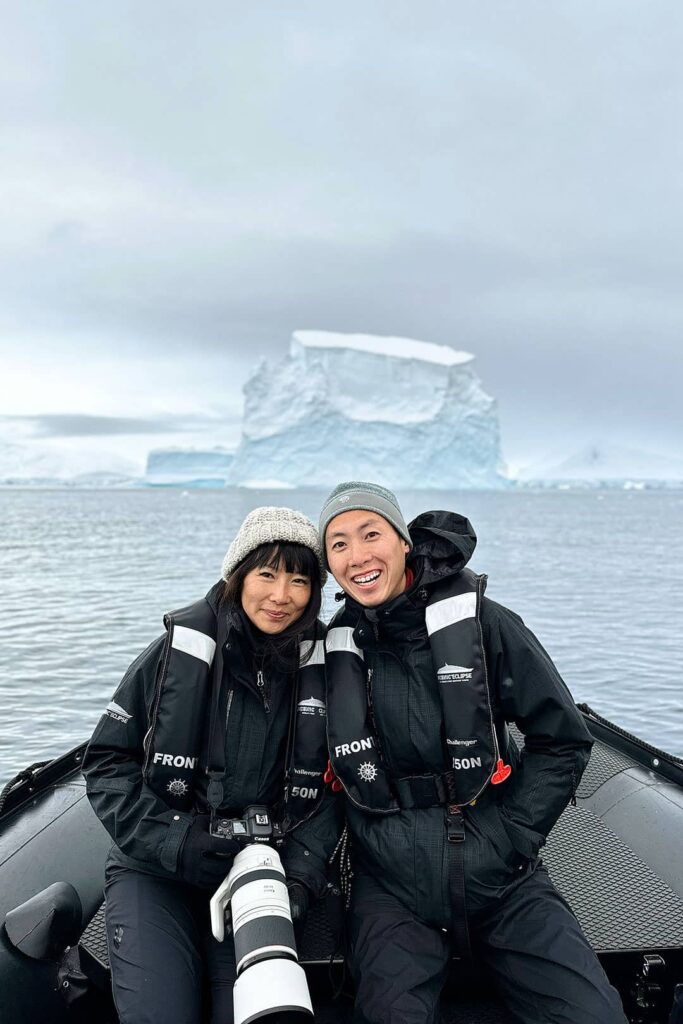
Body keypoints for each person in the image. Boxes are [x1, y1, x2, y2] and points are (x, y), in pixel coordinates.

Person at [319, 481, 627, 1024]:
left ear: (403, 541)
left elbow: (563, 738)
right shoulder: (338, 642)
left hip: (499, 869)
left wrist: (513, 837)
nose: (358, 555)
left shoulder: (484, 621)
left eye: (371, 534)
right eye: (338, 544)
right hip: (390, 880)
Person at [83, 507, 339, 1024]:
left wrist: (301, 879)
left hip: (259, 867)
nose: (281, 595)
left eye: (299, 579)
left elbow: (337, 789)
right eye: (266, 573)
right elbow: (107, 763)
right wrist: (177, 839)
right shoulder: (178, 653)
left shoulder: (328, 668)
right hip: (154, 868)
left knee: (254, 1013)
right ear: (236, 575)